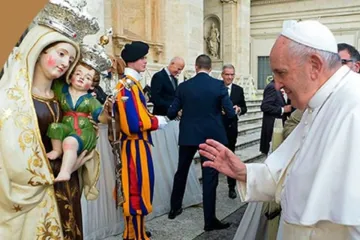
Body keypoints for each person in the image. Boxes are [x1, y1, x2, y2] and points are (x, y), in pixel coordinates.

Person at [200, 20, 360, 239]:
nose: (276, 85)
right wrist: (244, 172)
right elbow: (291, 175)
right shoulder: (319, 103)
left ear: (314, 65)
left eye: (281, 73)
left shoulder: (354, 107)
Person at [0, 0, 101, 239]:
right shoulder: (11, 99)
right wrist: (63, 166)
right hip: (31, 198)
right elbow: (9, 154)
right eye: (61, 54)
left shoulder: (60, 97)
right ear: (39, 48)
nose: (66, 63)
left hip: (66, 186)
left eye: (70, 58)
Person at [167, 54, 235, 231]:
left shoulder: (183, 86)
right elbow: (231, 113)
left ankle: (174, 208)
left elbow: (172, 112)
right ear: (210, 69)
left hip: (188, 134)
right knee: (210, 177)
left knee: (181, 170)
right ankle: (209, 220)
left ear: (196, 67)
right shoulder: (219, 85)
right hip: (212, 135)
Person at [111, 41, 168, 240]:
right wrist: (156, 121)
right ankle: (135, 236)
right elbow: (132, 125)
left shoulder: (132, 84)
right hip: (134, 145)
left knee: (141, 189)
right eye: (143, 58)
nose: (146, 61)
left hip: (139, 145)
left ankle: (136, 232)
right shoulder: (126, 86)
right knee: (136, 191)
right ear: (133, 60)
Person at [47, 42, 112, 182]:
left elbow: (101, 117)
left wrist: (107, 112)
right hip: (66, 127)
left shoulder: (90, 100)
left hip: (83, 131)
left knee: (70, 142)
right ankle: (57, 150)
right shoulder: (62, 91)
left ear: (92, 85)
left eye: (88, 78)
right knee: (54, 127)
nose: (82, 78)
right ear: (70, 76)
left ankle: (65, 171)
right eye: (78, 74)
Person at [221, 64, 247, 199]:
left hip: (232, 128)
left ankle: (231, 187)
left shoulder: (238, 90)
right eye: (227, 74)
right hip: (218, 128)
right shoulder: (216, 87)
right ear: (222, 75)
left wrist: (239, 109)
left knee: (231, 156)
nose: (229, 77)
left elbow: (244, 107)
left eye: (232, 74)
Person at [259, 80, 292, 155]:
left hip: (279, 127)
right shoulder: (272, 87)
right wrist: (283, 109)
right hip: (272, 127)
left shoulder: (282, 87)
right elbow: (265, 106)